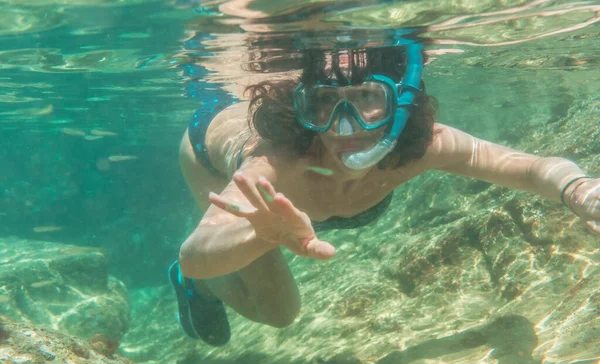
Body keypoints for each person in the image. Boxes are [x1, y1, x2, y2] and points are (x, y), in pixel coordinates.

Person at [169, 38, 600, 346]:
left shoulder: (425, 145)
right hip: (208, 147)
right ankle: (197, 292)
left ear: (400, 104)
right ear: (305, 107)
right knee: (280, 314)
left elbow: (530, 167)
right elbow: (197, 254)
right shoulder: (274, 163)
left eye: (366, 98)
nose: (344, 126)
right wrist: (261, 236)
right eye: (323, 102)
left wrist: (579, 190)